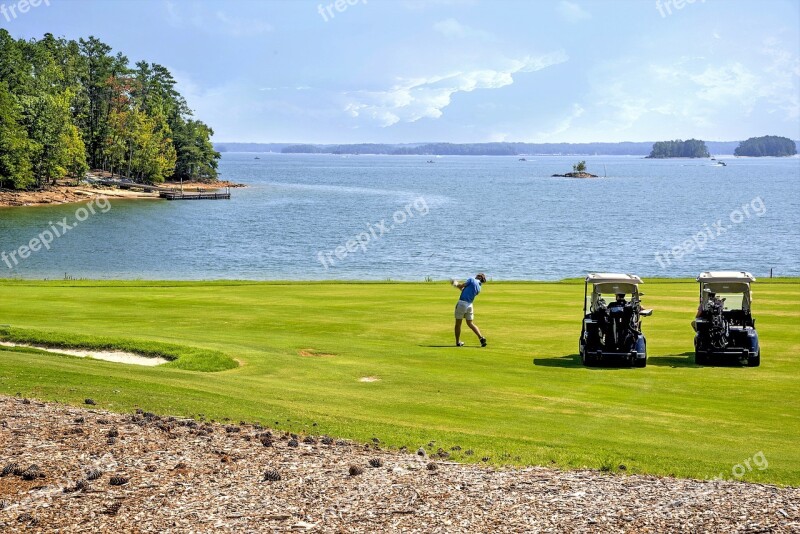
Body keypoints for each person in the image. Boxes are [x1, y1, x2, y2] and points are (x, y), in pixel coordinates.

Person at [452, 273, 487, 347]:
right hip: (470, 305)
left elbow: (461, 286)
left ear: (479, 277)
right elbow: (464, 290)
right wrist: (457, 285)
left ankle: (458, 342)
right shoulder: (479, 288)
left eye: (477, 275)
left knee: (458, 324)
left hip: (462, 303)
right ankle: (481, 337)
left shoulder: (471, 279)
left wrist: (455, 283)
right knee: (470, 323)